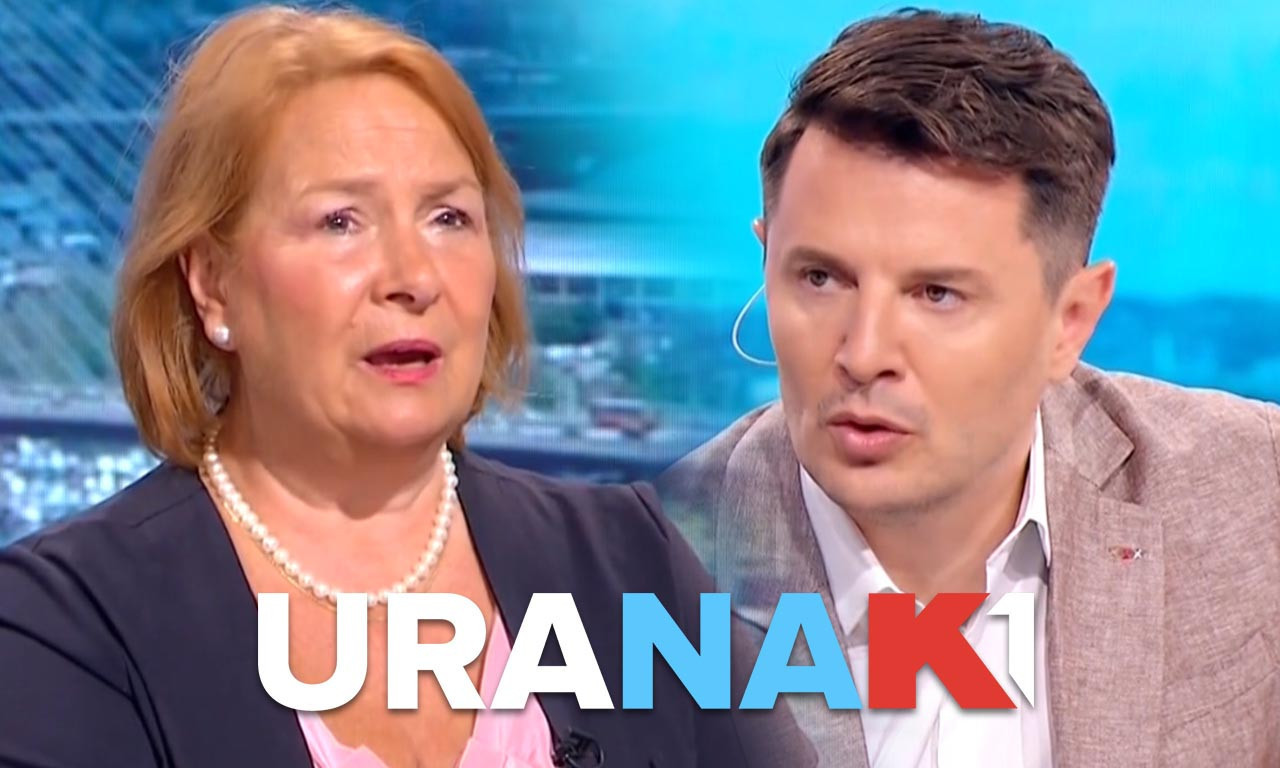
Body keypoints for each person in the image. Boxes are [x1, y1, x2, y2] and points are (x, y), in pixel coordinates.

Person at [0, 7, 809, 768]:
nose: (413, 277)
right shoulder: (66, 623)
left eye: (449, 218)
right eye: (340, 222)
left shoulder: (629, 559)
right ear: (213, 286)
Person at [659, 9, 1280, 768]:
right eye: (820, 278)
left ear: (1070, 322)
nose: (863, 355)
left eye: (937, 294)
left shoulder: (1254, 499)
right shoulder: (641, 582)